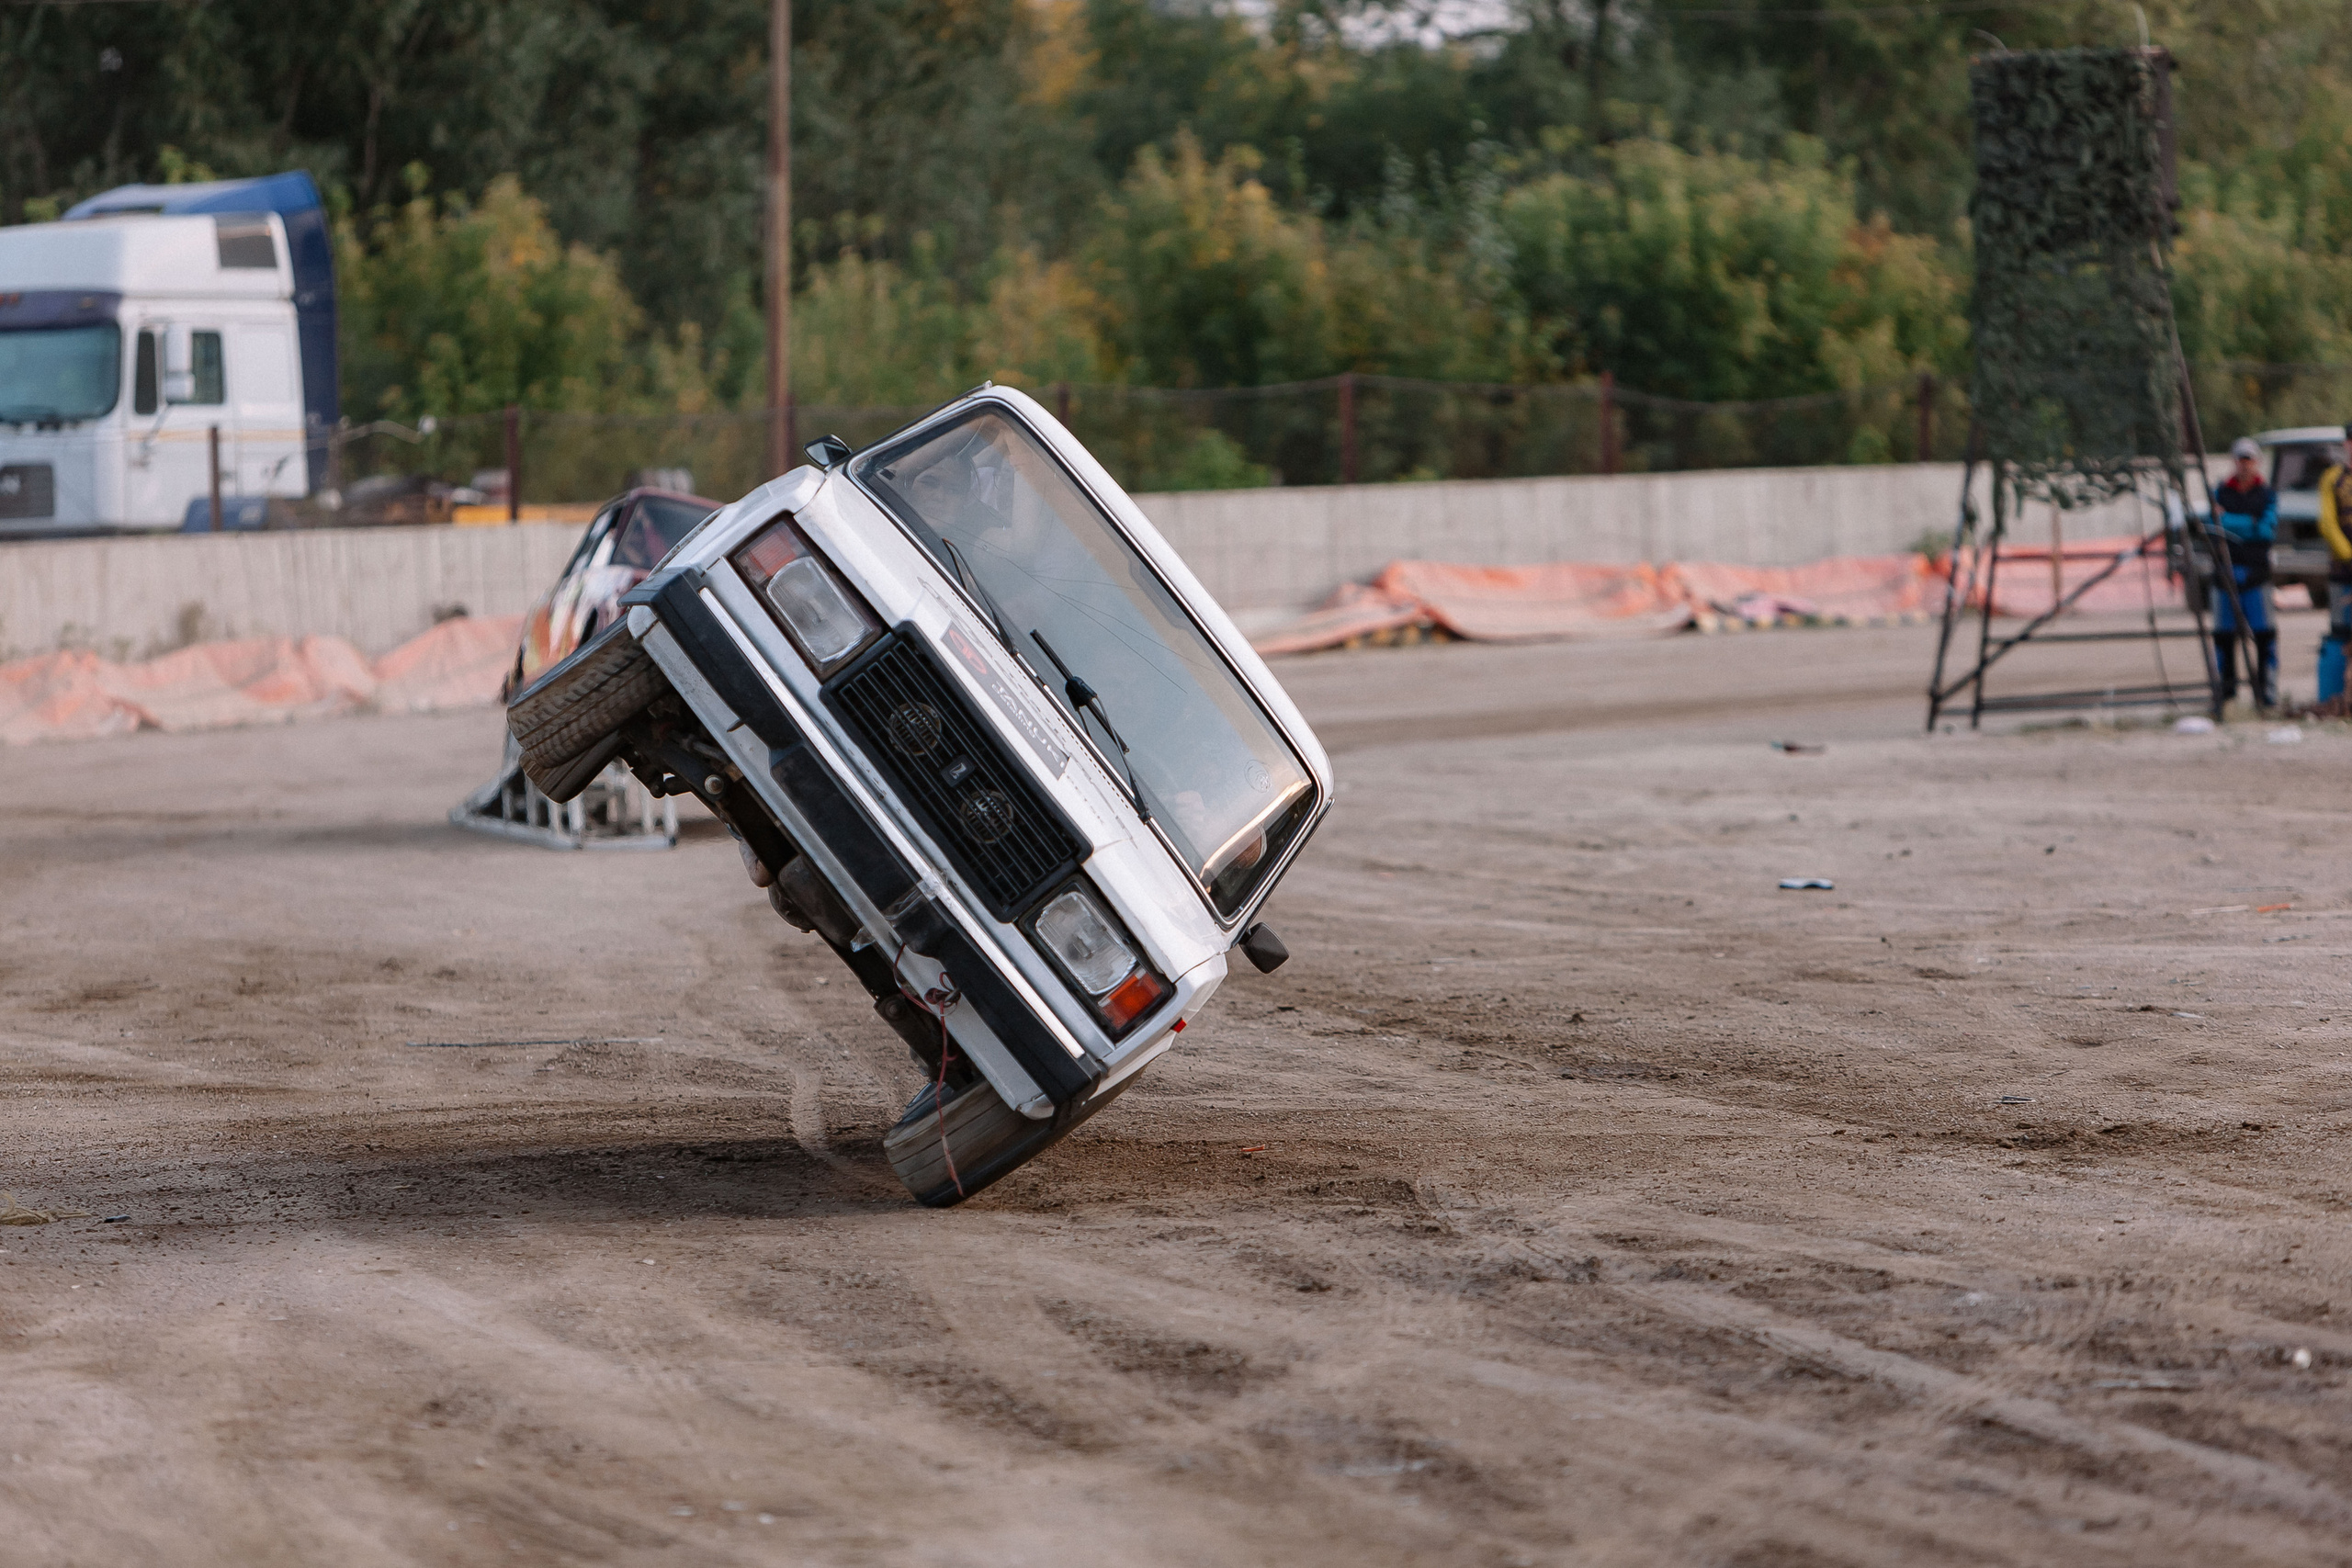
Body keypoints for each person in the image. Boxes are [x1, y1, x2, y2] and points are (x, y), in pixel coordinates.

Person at [2211, 434, 2278, 708]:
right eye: (2240, 458)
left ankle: (2265, 693)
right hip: (2225, 573)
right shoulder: (2220, 491)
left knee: (2264, 636)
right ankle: (2227, 693)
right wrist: (2247, 522)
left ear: (2257, 462)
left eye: (2249, 458)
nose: (2244, 464)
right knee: (2224, 637)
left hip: (2256, 573)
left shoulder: (2267, 494)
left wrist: (2229, 521)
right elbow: (2214, 527)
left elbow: (2265, 530)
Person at [2315, 424, 2352, 704]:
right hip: (2343, 571)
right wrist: (2349, 554)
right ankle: (2337, 697)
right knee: (2342, 633)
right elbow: (2327, 523)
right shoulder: (2333, 478)